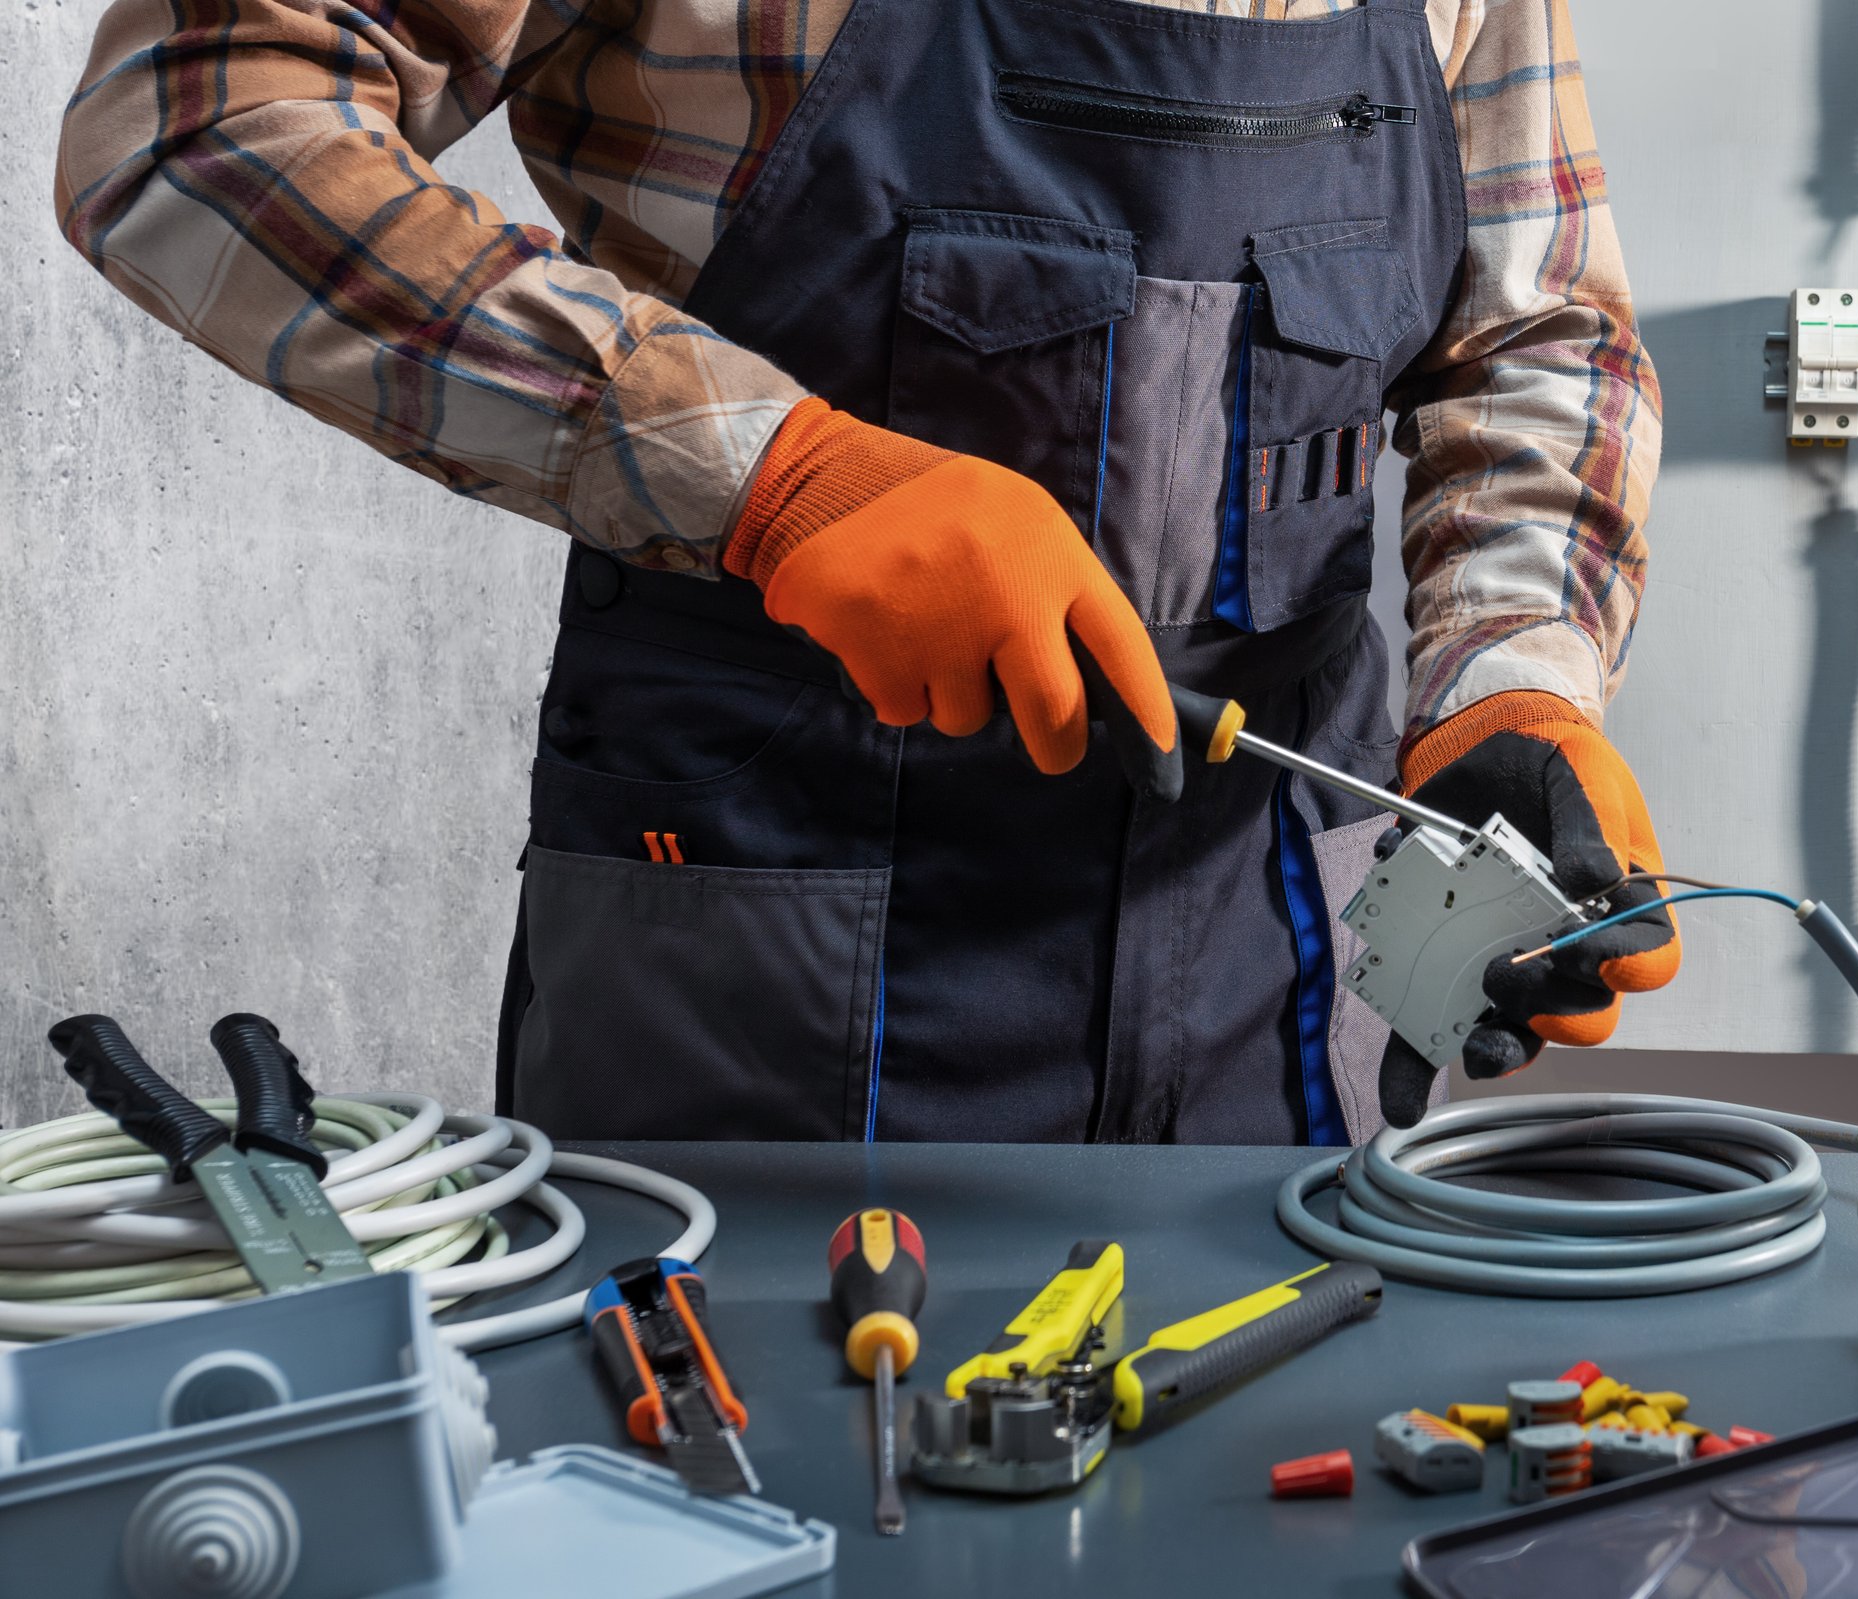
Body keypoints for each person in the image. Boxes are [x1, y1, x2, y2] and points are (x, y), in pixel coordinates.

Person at [57, 0, 1676, 1147]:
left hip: (1275, 955)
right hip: (766, 943)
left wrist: (1515, 676)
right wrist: (774, 476)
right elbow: (196, 120)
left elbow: (1537, 335)